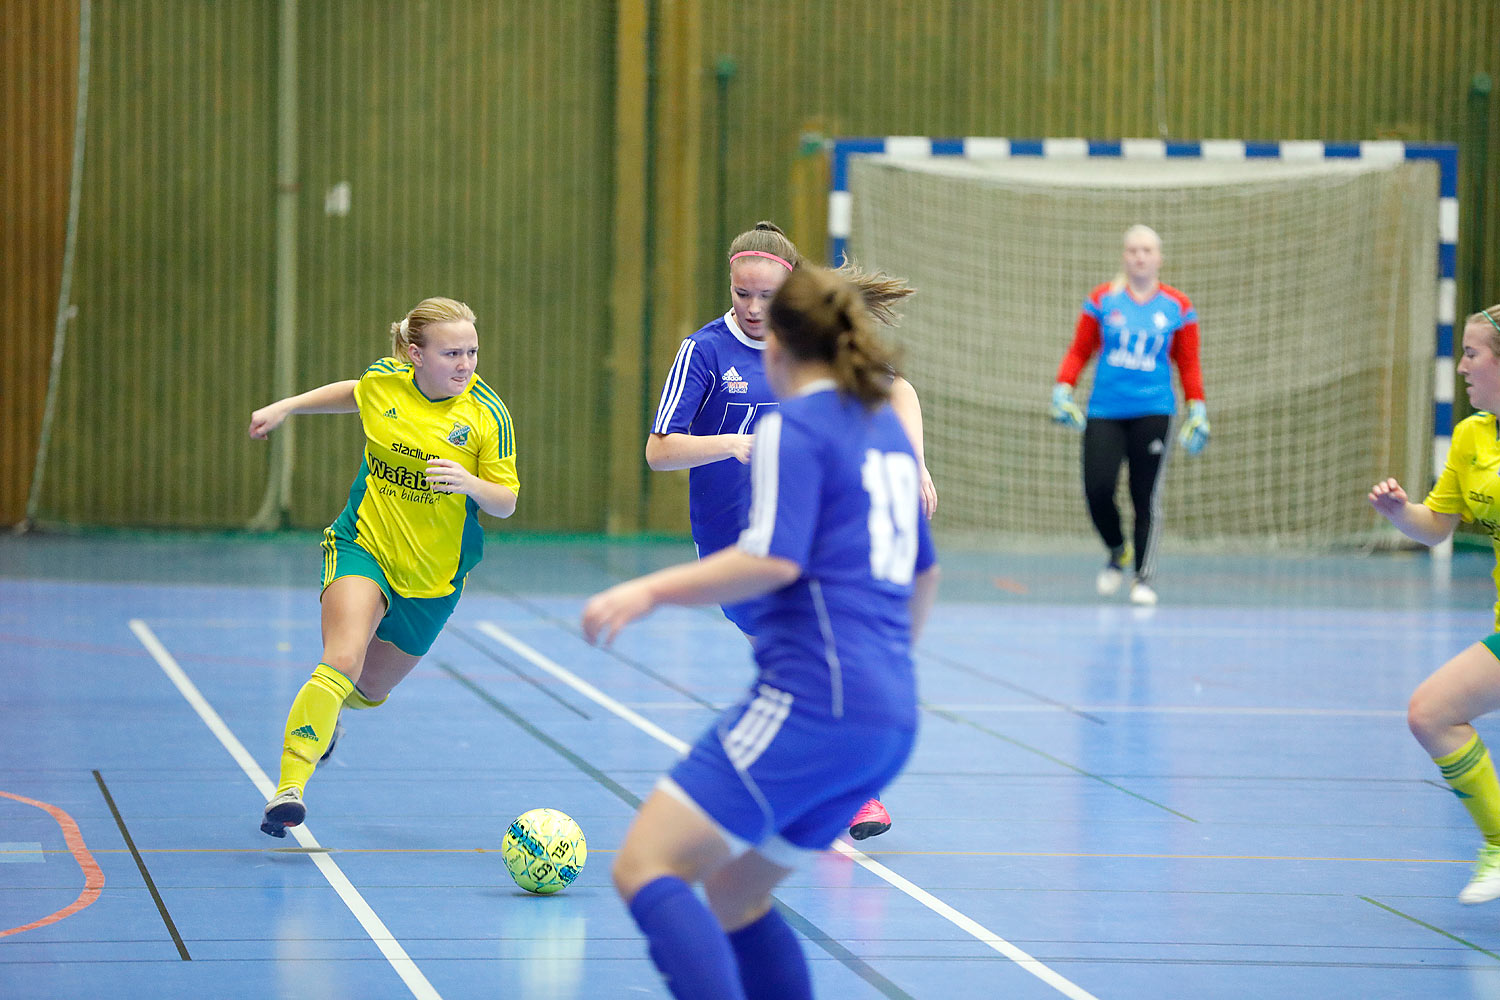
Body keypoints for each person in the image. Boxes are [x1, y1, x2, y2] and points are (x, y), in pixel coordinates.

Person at [586, 264, 940, 1000]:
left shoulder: (791, 427)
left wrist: (648, 589)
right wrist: (878, 669)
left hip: (814, 704)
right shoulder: (883, 427)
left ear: (777, 343)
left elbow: (770, 562)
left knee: (644, 866)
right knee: (738, 895)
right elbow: (923, 576)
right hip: (892, 715)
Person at [647, 221, 934, 840]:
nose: (752, 309)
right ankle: (808, 790)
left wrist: (913, 464)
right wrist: (732, 445)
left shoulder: (812, 348)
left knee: (813, 666)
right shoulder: (704, 352)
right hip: (737, 552)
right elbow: (659, 449)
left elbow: (899, 390)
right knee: (807, 672)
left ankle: (842, 796)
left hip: (812, 543)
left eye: (766, 298)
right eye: (740, 294)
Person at [248, 296, 519, 837]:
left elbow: (506, 501)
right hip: (363, 546)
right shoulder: (386, 382)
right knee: (342, 657)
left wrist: (471, 484)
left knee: (368, 688)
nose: (465, 364)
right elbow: (355, 392)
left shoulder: (487, 416)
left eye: (472, 352)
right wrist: (287, 406)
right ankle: (289, 787)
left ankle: (331, 720)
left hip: (432, 580)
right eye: (451, 354)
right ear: (415, 354)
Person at [1370, 302, 1500, 904]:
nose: (1462, 365)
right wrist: (1402, 515)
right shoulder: (1473, 435)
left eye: (1472, 353)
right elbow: (1438, 526)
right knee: (1430, 713)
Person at [1049, 224, 1210, 606]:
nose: (1140, 256)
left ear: (1159, 258)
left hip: (1154, 412)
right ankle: (1116, 549)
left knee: (1145, 496)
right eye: (1133, 250)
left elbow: (1188, 363)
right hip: (1105, 409)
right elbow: (1079, 350)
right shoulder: (1103, 300)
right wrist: (1062, 388)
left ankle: (1144, 577)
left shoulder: (1177, 306)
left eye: (1147, 250)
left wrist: (1197, 408)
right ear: (1124, 255)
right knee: (1098, 489)